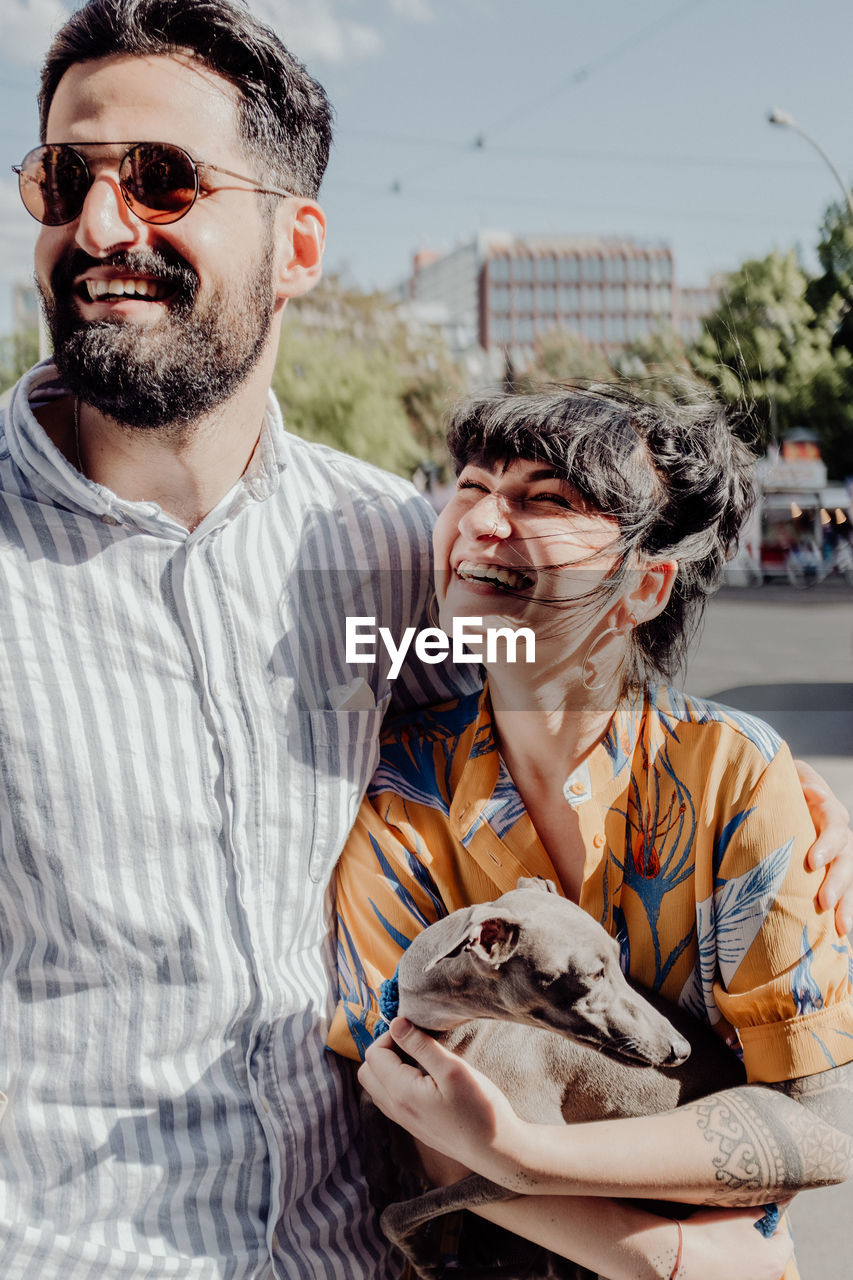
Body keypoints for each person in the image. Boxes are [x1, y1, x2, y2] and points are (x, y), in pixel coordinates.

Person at [1, 4, 851, 1278]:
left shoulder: (387, 547)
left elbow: (547, 678)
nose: (104, 226)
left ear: (297, 244)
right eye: (66, 179)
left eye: (165, 181)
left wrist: (767, 794)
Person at [329, 387, 853, 1280]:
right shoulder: (399, 796)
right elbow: (414, 1110)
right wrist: (678, 1255)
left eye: (546, 498)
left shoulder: (731, 773)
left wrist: (529, 1158)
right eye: (470, 484)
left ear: (645, 586)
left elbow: (817, 1123)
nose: (482, 520)